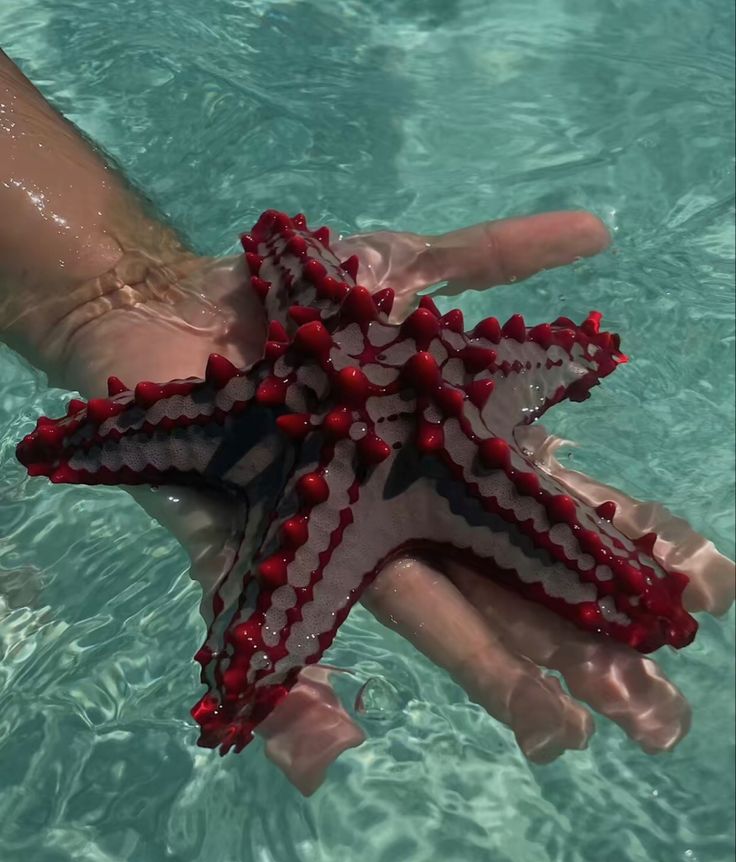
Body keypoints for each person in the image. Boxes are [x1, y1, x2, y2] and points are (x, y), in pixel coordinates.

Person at [0, 49, 731, 795]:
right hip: (403, 423)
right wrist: (105, 304)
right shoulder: (453, 373)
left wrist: (104, 300)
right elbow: (291, 259)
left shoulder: (296, 392)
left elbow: (291, 263)